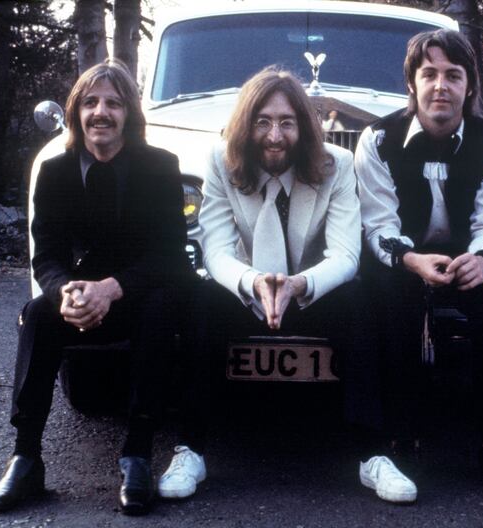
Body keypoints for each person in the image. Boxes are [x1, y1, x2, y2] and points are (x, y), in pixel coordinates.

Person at [156, 66, 383, 501]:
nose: (274, 136)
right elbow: (217, 251)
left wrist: (299, 284)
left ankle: (373, 453)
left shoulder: (337, 166)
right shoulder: (221, 163)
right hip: (247, 288)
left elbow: (346, 255)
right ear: (246, 125)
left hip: (310, 287)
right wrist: (253, 281)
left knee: (359, 298)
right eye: (262, 122)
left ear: (303, 125)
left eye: (286, 122)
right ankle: (190, 449)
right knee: (202, 299)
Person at [0, 59, 190, 516]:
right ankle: (26, 458)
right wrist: (65, 294)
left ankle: (137, 453)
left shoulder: (160, 167)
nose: (102, 112)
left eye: (114, 103)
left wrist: (112, 288)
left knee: (161, 310)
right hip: (78, 298)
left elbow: (170, 255)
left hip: (136, 295)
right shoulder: (54, 171)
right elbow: (46, 255)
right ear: (76, 111)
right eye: (91, 102)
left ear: (130, 114)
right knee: (37, 313)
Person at [354, 28, 483, 502]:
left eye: (453, 75)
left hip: (470, 258)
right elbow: (377, 221)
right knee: (387, 298)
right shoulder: (379, 139)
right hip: (404, 257)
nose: (440, 86)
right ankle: (400, 435)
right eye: (429, 74)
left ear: (470, 86)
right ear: (412, 83)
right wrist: (409, 259)